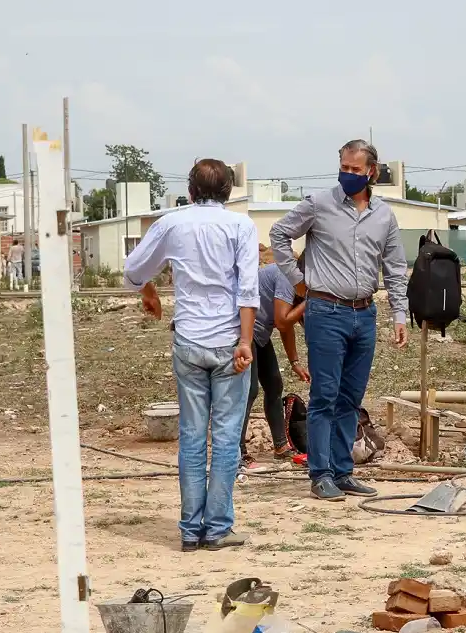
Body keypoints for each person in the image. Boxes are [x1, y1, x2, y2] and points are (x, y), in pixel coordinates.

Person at [123, 159, 259, 552]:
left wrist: (147, 289)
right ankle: (217, 528)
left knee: (192, 436)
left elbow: (133, 270)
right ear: (229, 191)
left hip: (189, 341)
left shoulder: (172, 223)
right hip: (230, 342)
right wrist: (246, 341)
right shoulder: (241, 226)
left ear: (191, 190)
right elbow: (247, 289)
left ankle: (189, 529)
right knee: (227, 436)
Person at [271, 139, 408, 502]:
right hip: (325, 312)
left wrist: (399, 313)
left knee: (350, 397)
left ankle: (343, 471)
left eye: (355, 170)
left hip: (364, 314)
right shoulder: (319, 204)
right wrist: (296, 280)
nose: (347, 174)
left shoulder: (384, 216)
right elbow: (279, 233)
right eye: (343, 167)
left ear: (371, 173)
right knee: (324, 396)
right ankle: (321, 474)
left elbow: (394, 267)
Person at [238, 257, 310, 471]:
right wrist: (310, 301)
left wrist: (295, 362)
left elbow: (286, 327)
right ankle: (237, 451)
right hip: (244, 332)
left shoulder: (300, 284)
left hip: (259, 335)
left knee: (274, 385)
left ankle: (280, 445)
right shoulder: (287, 277)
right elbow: (282, 320)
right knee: (248, 390)